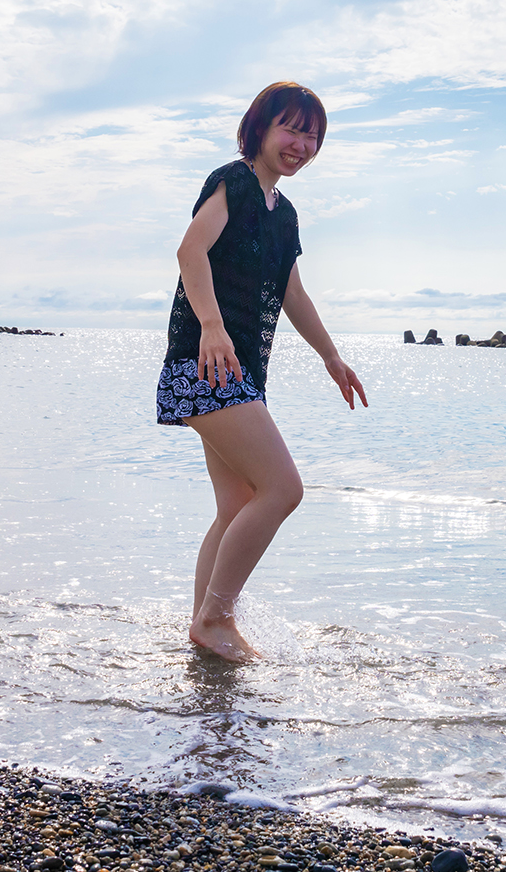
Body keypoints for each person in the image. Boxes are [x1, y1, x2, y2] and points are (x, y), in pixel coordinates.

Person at [155, 81, 368, 663]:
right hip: (207, 363)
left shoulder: (284, 211)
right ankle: (216, 618)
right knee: (282, 489)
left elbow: (291, 290)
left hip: (239, 370)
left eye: (312, 135)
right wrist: (212, 325)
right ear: (260, 128)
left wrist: (330, 355)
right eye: (291, 129)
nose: (301, 143)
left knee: (237, 502)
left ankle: (204, 626)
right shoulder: (234, 183)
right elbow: (190, 250)